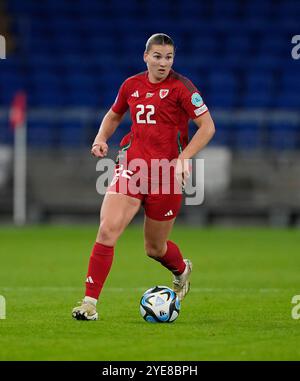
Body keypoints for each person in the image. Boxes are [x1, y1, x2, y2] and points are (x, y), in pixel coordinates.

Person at [72, 33, 215, 320]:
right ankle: (89, 303)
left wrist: (183, 159)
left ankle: (181, 269)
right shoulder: (131, 85)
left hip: (166, 175)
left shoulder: (183, 88)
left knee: (154, 248)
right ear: (146, 56)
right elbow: (114, 115)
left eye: (169, 57)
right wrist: (101, 138)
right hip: (131, 167)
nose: (163, 63)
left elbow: (207, 127)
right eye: (158, 56)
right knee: (107, 229)